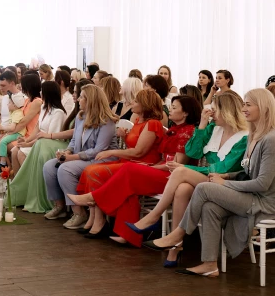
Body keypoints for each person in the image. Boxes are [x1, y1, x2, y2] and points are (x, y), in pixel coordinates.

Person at [144, 88, 275, 278]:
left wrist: (224, 183)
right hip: (249, 195)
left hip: (263, 202)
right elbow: (246, 172)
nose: (243, 109)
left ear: (263, 108)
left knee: (205, 188)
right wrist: (227, 176)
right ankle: (209, 264)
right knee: (209, 207)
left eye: (248, 105)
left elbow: (262, 184)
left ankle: (178, 234)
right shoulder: (254, 135)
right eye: (243, 104)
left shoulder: (270, 140)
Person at [67, 96, 200, 250]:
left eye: (174, 107)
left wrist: (152, 167)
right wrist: (152, 166)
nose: (170, 109)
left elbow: (176, 166)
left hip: (173, 177)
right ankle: (128, 234)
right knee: (128, 186)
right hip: (163, 171)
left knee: (128, 169)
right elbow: (163, 159)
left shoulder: (187, 132)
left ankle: (94, 198)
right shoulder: (173, 129)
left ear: (186, 113)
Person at [128, 91, 248, 255]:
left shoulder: (244, 137)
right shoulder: (214, 128)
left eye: (215, 110)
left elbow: (223, 170)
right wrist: (202, 125)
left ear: (227, 111)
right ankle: (174, 248)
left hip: (227, 183)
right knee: (182, 189)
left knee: (180, 172)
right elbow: (193, 152)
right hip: (209, 178)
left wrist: (186, 168)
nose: (211, 114)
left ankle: (154, 216)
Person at [70, 89, 165, 237]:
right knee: (90, 169)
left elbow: (139, 152)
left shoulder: (153, 124)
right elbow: (135, 148)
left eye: (136, 101)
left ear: (145, 105)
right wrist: (125, 138)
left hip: (140, 165)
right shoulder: (139, 121)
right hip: (129, 162)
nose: (132, 103)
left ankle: (98, 218)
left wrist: (112, 152)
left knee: (95, 172)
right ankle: (94, 218)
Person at [42, 84, 118, 229]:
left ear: (91, 100)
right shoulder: (81, 116)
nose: (78, 100)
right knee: (49, 166)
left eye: (82, 97)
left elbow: (99, 150)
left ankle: (79, 212)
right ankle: (60, 206)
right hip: (83, 157)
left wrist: (72, 157)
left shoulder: (106, 120)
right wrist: (67, 152)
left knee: (65, 169)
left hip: (101, 159)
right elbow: (74, 140)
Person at [9, 80, 67, 212]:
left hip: (50, 145)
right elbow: (37, 129)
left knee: (21, 153)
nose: (40, 92)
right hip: (40, 141)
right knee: (14, 150)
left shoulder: (58, 112)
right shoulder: (44, 108)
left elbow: (48, 136)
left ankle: (32, 193)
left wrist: (28, 143)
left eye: (42, 91)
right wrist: (25, 140)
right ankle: (21, 192)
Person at [0, 73, 41, 173]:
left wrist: (7, 133)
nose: (20, 87)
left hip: (29, 135)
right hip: (22, 132)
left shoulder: (37, 102)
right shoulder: (27, 100)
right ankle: (4, 175)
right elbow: (17, 117)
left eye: (22, 85)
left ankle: (8, 176)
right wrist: (5, 133)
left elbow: (23, 121)